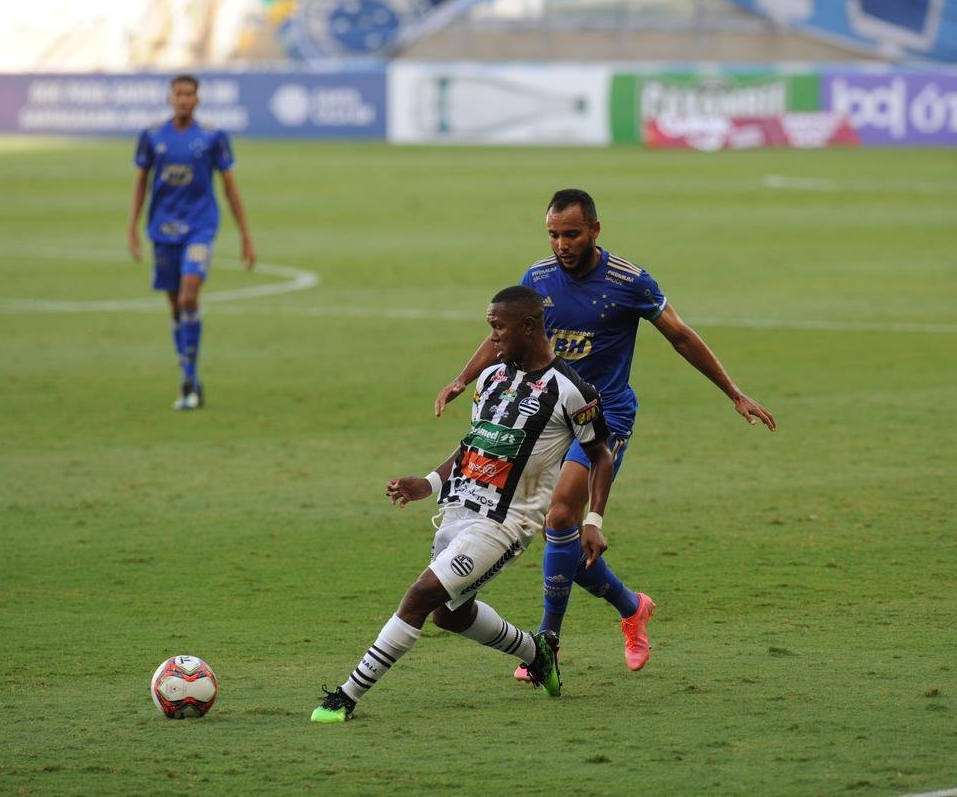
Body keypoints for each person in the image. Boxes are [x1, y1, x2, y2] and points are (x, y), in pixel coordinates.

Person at [435, 188, 776, 679]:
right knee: (562, 540)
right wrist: (461, 379)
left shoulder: (628, 281)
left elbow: (679, 335)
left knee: (559, 518)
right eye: (553, 234)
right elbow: (506, 333)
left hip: (605, 414)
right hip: (548, 418)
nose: (561, 244)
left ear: (595, 230)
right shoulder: (538, 278)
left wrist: (734, 392)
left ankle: (546, 646)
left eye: (571, 233)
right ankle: (631, 607)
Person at [312, 285, 616, 723]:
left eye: (498, 328)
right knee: (448, 615)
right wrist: (431, 481)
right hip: (459, 511)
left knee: (418, 597)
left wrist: (593, 519)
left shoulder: (571, 390)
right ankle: (538, 653)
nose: (492, 338)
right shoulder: (492, 378)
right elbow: (476, 444)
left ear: (528, 328)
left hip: (505, 524)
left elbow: (600, 455)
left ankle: (346, 695)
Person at [126, 73, 256, 411]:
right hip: (163, 231)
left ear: (198, 99)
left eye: (189, 94)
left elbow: (230, 187)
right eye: (178, 93)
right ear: (170, 98)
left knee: (187, 297)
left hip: (200, 227)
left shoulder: (213, 137)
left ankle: (189, 378)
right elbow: (141, 182)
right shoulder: (153, 136)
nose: (184, 99)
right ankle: (190, 379)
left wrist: (245, 236)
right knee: (174, 306)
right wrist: (132, 228)